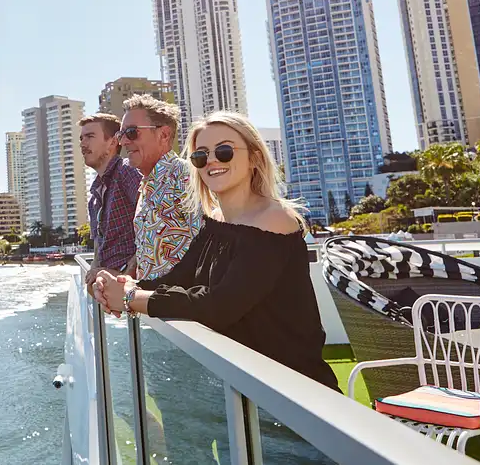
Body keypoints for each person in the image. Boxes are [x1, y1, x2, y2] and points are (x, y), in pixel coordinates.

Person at [93, 111, 339, 391]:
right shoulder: (217, 221)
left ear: (255, 158)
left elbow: (220, 305)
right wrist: (123, 286)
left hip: (293, 395)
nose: (211, 161)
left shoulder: (275, 219)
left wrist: (130, 298)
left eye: (224, 151)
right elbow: (180, 279)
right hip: (243, 388)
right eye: (200, 155)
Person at [119, 95, 200, 280]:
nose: (123, 142)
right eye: (120, 134)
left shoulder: (184, 175)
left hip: (177, 306)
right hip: (150, 305)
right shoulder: (145, 185)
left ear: (163, 134)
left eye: (131, 132)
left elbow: (206, 248)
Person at [78, 112, 141, 287]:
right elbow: (98, 247)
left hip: (132, 288)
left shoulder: (127, 171)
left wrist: (128, 271)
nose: (83, 144)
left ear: (113, 141)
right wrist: (94, 270)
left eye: (90, 136)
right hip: (111, 297)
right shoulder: (94, 199)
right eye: (81, 138)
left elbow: (156, 220)